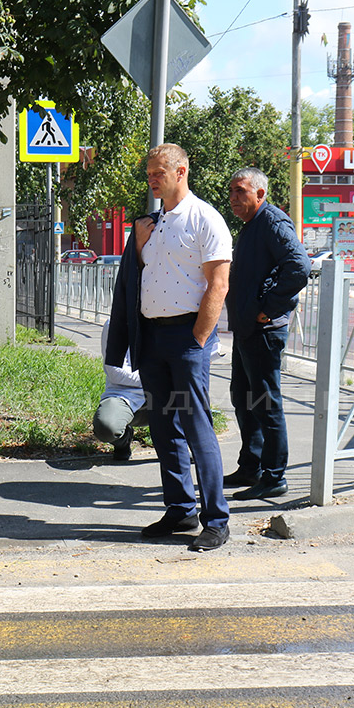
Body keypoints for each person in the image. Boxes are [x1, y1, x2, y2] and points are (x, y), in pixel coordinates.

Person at [106, 143, 233, 552]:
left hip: (186, 337)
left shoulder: (205, 219)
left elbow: (218, 284)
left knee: (197, 426)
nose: (152, 179)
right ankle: (181, 509)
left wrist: (198, 338)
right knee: (163, 428)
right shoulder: (150, 224)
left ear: (182, 171)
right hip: (153, 336)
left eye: (159, 171)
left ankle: (216, 519)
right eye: (149, 173)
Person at [222, 166, 311, 501]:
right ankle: (251, 466)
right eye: (231, 191)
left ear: (260, 193)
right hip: (247, 329)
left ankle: (274, 476)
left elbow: (299, 266)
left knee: (265, 403)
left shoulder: (272, 221)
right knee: (245, 399)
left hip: (263, 331)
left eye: (240, 191)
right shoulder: (251, 226)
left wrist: (269, 307)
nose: (233, 198)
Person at [93, 318, 147, 461]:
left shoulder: (171, 319)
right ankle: (123, 441)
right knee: (106, 427)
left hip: (163, 392)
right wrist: (154, 379)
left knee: (191, 406)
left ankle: (186, 446)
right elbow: (115, 373)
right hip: (124, 394)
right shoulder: (114, 324)